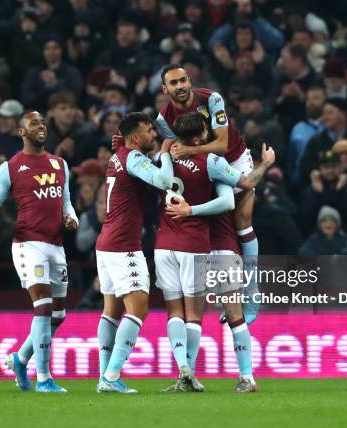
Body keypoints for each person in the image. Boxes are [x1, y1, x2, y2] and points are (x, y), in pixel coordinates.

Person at [157, 112, 274, 393]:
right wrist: (266, 164)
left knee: (188, 315)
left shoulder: (166, 161)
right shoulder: (214, 163)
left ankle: (188, 376)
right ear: (200, 137)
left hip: (183, 244)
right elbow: (240, 189)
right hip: (218, 242)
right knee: (234, 315)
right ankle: (247, 377)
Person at [0, 110, 78, 393]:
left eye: (42, 123)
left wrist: (71, 216)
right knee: (42, 305)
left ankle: (19, 359)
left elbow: (65, 201)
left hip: (56, 245)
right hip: (28, 243)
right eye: (34, 123)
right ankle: (44, 378)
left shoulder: (60, 164)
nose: (41, 127)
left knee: (58, 315)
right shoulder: (11, 167)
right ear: (21, 132)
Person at [153, 64, 261, 329]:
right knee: (204, 226)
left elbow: (222, 144)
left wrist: (187, 151)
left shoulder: (212, 99)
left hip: (232, 160)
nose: (180, 87)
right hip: (202, 165)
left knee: (241, 223)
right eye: (173, 83)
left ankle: (253, 294)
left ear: (189, 80)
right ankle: (224, 296)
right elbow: (171, 150)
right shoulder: (163, 119)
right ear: (165, 89)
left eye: (183, 81)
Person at [95, 112, 174, 394]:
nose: (155, 134)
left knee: (111, 311)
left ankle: (105, 376)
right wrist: (165, 154)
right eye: (150, 130)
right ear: (135, 137)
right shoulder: (133, 157)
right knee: (139, 307)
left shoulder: (120, 155)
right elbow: (164, 181)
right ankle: (112, 375)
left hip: (106, 243)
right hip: (123, 245)